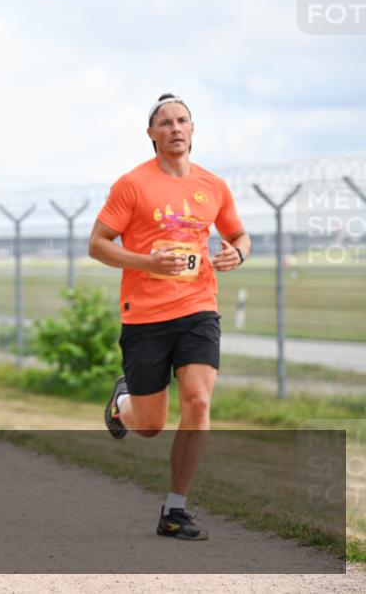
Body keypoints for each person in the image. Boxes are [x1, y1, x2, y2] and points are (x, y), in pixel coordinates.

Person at [89, 93, 251, 541]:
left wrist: (237, 253)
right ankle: (123, 407)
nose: (175, 128)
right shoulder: (132, 185)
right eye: (165, 122)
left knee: (199, 401)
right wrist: (146, 263)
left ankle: (175, 510)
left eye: (182, 120)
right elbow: (98, 244)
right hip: (144, 315)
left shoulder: (213, 185)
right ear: (151, 134)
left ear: (193, 129)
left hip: (198, 307)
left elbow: (239, 234)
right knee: (151, 425)